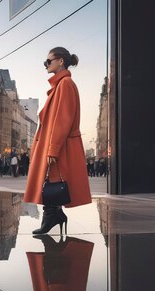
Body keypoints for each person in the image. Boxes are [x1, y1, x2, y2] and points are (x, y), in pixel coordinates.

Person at [23, 47, 91, 235]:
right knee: (50, 180)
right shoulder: (60, 85)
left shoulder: (65, 84)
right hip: (55, 143)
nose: (46, 65)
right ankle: (55, 215)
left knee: (52, 180)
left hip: (59, 144)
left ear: (61, 61)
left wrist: (53, 149)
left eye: (48, 61)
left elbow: (63, 119)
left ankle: (53, 216)